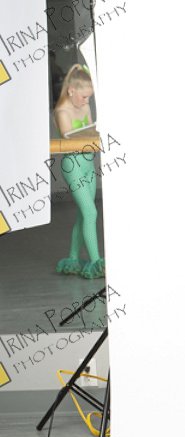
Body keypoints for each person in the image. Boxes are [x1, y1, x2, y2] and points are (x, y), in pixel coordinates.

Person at [52, 63, 105, 279]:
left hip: (88, 163)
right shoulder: (61, 111)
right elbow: (73, 139)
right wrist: (92, 135)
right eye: (84, 97)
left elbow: (90, 133)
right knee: (91, 212)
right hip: (73, 166)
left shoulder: (84, 105)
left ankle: (73, 258)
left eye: (89, 97)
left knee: (84, 215)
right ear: (71, 90)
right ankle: (96, 262)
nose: (86, 102)